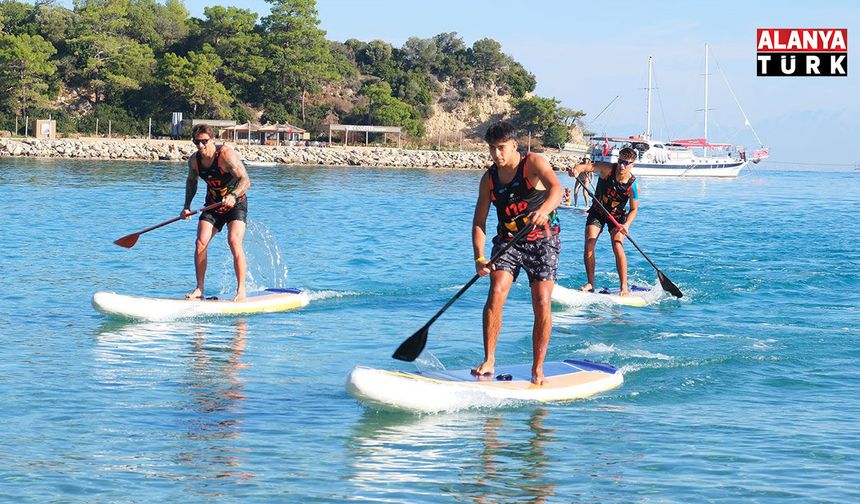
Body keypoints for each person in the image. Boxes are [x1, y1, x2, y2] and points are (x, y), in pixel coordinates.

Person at [472, 121, 563, 385]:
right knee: (496, 291)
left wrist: (544, 210)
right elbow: (479, 222)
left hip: (543, 240)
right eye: (492, 149)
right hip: (508, 241)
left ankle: (538, 368)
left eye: (501, 148)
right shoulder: (489, 179)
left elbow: (556, 189)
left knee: (542, 301)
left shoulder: (533, 163)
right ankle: (489, 359)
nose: (496, 155)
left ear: (514, 145)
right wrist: (480, 257)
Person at [182, 124, 251, 301]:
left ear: (212, 140)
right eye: (196, 142)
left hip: (235, 204)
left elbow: (245, 181)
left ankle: (241, 290)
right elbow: (191, 183)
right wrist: (187, 207)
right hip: (212, 205)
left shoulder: (226, 155)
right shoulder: (194, 161)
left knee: (233, 240)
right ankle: (199, 289)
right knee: (200, 243)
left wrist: (233, 195)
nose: (200, 146)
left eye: (204, 142)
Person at [567, 147, 639, 296]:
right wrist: (576, 169)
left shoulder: (633, 186)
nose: (622, 166)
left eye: (626, 163)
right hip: (598, 212)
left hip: (617, 218)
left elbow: (634, 209)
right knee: (589, 242)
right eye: (620, 161)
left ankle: (623, 287)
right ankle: (590, 284)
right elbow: (588, 167)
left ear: (632, 165)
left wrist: (626, 225)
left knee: (617, 245)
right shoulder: (607, 169)